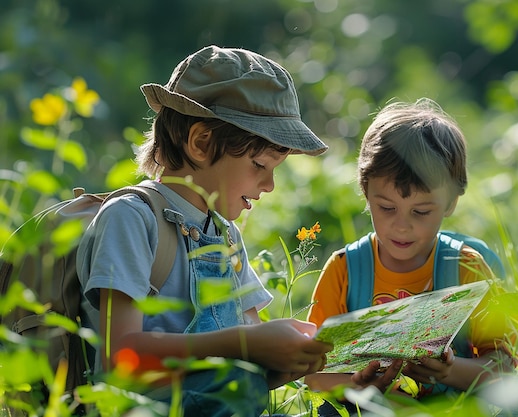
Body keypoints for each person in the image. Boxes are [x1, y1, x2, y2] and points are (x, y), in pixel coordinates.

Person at [77, 45, 333, 416]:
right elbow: (122, 358)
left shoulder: (227, 237)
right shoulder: (132, 219)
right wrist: (248, 344)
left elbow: (244, 376)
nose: (270, 185)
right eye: (260, 164)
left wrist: (284, 361)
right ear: (200, 142)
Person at [305, 99, 516, 414]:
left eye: (421, 211)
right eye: (387, 208)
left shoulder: (465, 267)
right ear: (365, 192)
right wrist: (356, 385)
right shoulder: (345, 269)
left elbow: (503, 367)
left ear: (450, 203)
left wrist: (450, 370)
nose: (401, 225)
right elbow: (314, 373)